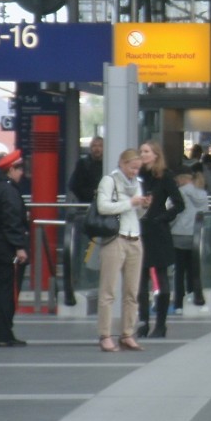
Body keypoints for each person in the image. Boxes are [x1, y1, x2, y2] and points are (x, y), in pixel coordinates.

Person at [95, 149, 148, 352]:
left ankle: (127, 333)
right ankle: (105, 334)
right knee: (108, 290)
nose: (135, 172)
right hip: (115, 238)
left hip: (135, 237)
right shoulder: (110, 181)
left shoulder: (138, 184)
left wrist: (142, 205)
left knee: (132, 292)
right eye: (132, 167)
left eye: (137, 168)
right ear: (122, 164)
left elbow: (138, 213)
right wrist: (130, 203)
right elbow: (103, 207)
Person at [136, 140, 184, 338]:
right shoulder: (137, 176)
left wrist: (162, 217)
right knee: (139, 281)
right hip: (138, 231)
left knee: (159, 278)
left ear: (155, 155)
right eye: (141, 151)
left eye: (146, 151)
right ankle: (143, 321)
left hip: (156, 233)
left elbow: (179, 204)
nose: (143, 154)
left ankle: (161, 323)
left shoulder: (164, 176)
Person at [0, 150, 29, 347]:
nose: (22, 173)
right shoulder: (9, 191)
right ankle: (4, 333)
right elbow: (11, 221)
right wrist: (19, 246)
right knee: (7, 291)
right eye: (19, 169)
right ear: (11, 169)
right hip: (6, 248)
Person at [172, 166, 209, 312]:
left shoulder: (178, 193)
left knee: (179, 272)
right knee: (194, 271)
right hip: (196, 236)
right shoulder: (203, 194)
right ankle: (194, 298)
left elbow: (174, 214)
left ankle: (179, 304)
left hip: (179, 235)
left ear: (181, 179)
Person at [67, 136, 104, 204]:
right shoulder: (82, 164)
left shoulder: (108, 164)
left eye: (100, 146)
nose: (97, 149)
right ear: (90, 148)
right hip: (85, 203)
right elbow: (73, 185)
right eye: (94, 146)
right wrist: (89, 194)